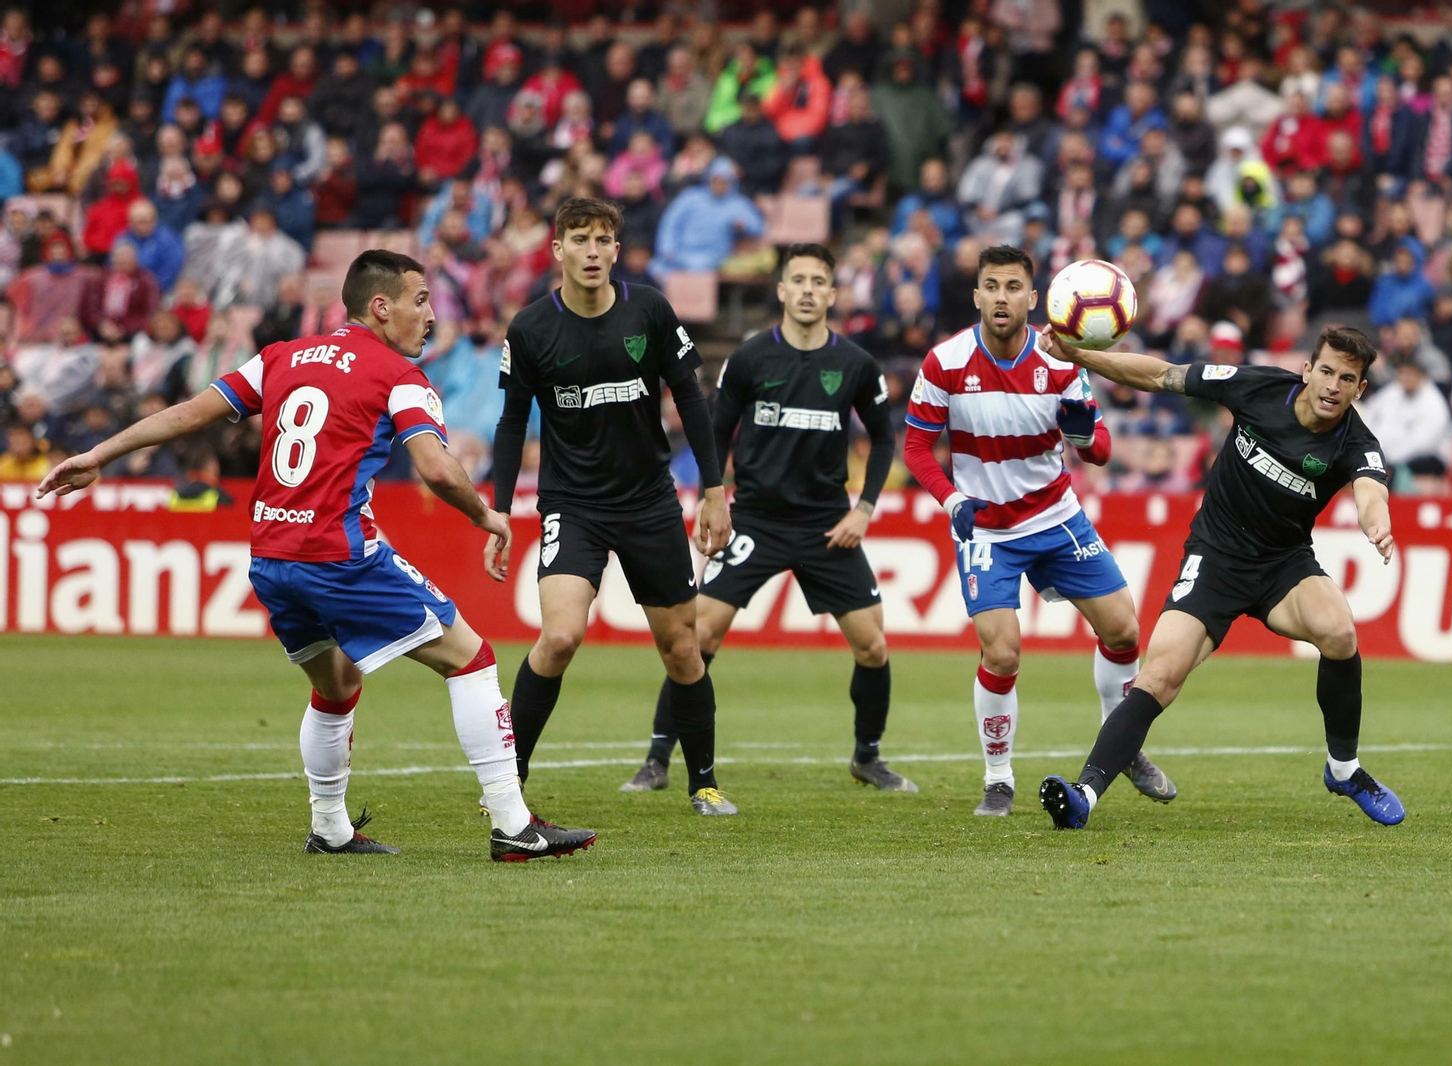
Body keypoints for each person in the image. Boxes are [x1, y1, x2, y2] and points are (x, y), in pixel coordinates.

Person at [35, 250, 582, 862]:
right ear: (382, 306)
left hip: (271, 557)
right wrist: (486, 515)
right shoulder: (398, 376)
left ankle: (330, 829)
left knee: (337, 684)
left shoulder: (281, 357)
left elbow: (190, 413)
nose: (431, 316)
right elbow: (435, 468)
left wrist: (99, 455)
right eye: (421, 301)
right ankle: (512, 824)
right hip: (339, 554)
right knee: (472, 659)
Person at [1035, 325, 1405, 829]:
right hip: (1215, 558)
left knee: (1339, 632)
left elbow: (1371, 490)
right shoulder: (1257, 387)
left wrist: (1376, 523)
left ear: (1359, 389)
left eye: (1346, 379)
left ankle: (1344, 770)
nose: (1333, 386)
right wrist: (1079, 356)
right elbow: (1162, 375)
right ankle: (1083, 796)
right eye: (1326, 371)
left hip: (1283, 565)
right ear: (1307, 370)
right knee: (1158, 677)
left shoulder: (1356, 441)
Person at [620, 243, 912, 796]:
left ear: (832, 294)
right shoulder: (750, 358)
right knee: (697, 634)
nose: (807, 290)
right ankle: (656, 760)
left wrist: (864, 509)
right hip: (755, 521)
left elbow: (882, 440)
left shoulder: (855, 364)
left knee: (872, 645)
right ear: (781, 290)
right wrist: (712, 500)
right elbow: (716, 432)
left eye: (817, 281)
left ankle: (868, 757)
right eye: (797, 280)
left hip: (828, 525)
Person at [901, 245, 1173, 817]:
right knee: (1001, 653)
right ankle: (998, 779)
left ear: (1033, 298)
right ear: (977, 296)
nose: (1001, 297)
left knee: (1124, 629)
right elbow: (917, 446)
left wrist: (1081, 432)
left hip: (1056, 518)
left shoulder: (1062, 360)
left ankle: (1120, 747)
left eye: (1012, 287)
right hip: (986, 529)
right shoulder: (945, 361)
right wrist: (952, 499)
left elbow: (1100, 450)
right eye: (991, 286)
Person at [492, 197, 734, 817]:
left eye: (603, 240)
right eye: (580, 240)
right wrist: (499, 511)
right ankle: (508, 784)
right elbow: (512, 423)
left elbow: (692, 400)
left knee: (681, 647)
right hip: (572, 505)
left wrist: (714, 493)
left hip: (649, 503)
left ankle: (704, 783)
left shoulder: (648, 309)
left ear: (616, 251)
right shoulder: (531, 328)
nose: (592, 251)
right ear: (558, 250)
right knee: (559, 637)